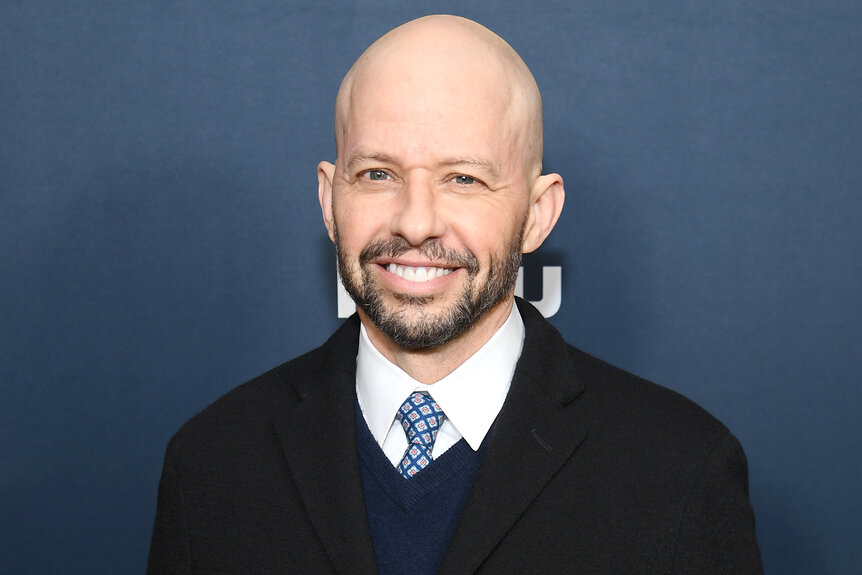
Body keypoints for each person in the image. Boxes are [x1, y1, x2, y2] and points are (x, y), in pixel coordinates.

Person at [147, 14, 763, 574]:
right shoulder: (212, 464)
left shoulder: (678, 473)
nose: (415, 223)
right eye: (377, 174)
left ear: (538, 215)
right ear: (330, 202)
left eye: (463, 178)